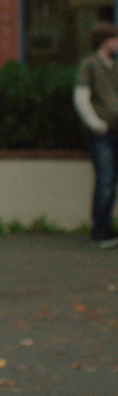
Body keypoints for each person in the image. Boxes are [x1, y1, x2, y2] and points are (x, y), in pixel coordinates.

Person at [73, 22, 118, 248]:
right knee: (105, 181)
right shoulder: (89, 65)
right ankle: (101, 231)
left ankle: (107, 228)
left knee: (111, 181)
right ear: (104, 41)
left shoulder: (115, 66)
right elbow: (81, 98)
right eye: (115, 39)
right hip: (102, 134)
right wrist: (96, 124)